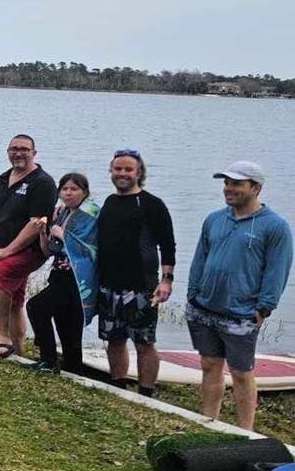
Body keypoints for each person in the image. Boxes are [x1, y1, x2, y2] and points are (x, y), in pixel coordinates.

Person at [186, 161, 292, 429]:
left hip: (242, 313)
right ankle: (209, 422)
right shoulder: (214, 219)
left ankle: (246, 431)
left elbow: (277, 270)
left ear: (256, 188)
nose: (228, 189)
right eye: (226, 183)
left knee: (241, 372)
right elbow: (201, 257)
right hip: (205, 308)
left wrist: (264, 307)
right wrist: (193, 293)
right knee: (209, 364)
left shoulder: (275, 226)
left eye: (236, 184)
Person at [95, 149, 176, 397]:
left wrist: (166, 280)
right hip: (109, 284)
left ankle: (146, 391)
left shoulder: (152, 204)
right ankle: (118, 385)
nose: (122, 174)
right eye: (118, 169)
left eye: (128, 169)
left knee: (144, 342)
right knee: (114, 339)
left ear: (139, 173)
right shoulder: (109, 202)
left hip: (141, 286)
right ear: (111, 171)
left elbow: (167, 244)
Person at [0, 134, 58, 358]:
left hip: (29, 250)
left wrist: (7, 251)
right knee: (15, 299)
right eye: (14, 149)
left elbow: (36, 224)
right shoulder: (3, 178)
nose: (18, 153)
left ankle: (1, 336)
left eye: (24, 149)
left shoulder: (42, 182)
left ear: (34, 153)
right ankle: (19, 350)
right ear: (7, 152)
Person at [26, 173, 100, 374]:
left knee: (37, 307)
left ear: (84, 192)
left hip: (78, 277)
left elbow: (91, 248)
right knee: (65, 324)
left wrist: (62, 235)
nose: (68, 193)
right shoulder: (61, 212)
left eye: (74, 189)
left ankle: (49, 360)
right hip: (60, 273)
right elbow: (50, 250)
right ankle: (70, 367)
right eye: (65, 189)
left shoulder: (90, 213)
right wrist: (42, 232)